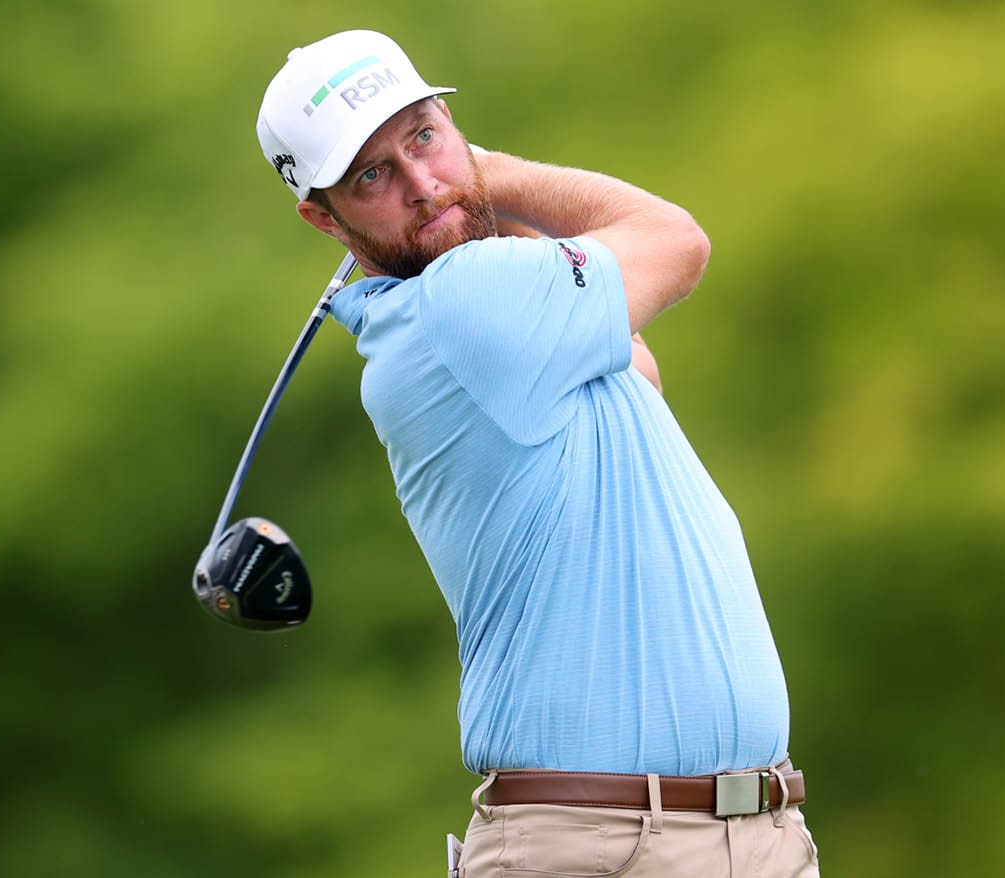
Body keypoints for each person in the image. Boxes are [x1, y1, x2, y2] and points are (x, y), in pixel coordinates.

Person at [256, 29, 820, 877]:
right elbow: (674, 241)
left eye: (424, 137)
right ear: (323, 218)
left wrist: (465, 202)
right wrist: (489, 172)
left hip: (743, 832)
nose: (419, 182)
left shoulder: (498, 315)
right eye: (373, 174)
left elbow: (638, 366)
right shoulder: (461, 304)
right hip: (611, 849)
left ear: (449, 117)